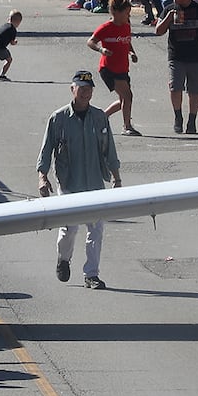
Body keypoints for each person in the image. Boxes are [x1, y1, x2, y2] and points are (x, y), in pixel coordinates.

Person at [37, 71, 121, 290]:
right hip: (69, 183)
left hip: (94, 183)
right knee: (70, 228)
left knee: (96, 229)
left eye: (89, 89)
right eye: (81, 88)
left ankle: (91, 274)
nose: (85, 93)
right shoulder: (59, 118)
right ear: (72, 89)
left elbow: (109, 149)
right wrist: (42, 177)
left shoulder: (99, 117)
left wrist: (116, 177)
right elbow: (46, 150)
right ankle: (63, 259)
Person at [154, 0, 198, 134]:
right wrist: (169, 17)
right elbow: (158, 31)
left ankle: (192, 121)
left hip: (196, 56)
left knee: (195, 90)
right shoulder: (169, 9)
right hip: (176, 56)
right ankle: (178, 117)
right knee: (175, 87)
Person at [88, 0, 140, 135]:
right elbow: (91, 41)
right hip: (109, 68)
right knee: (128, 96)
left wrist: (132, 53)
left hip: (123, 68)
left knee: (124, 99)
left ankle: (102, 117)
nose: (128, 17)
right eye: (126, 13)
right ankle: (127, 126)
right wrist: (101, 49)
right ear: (115, 12)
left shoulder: (126, 26)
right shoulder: (106, 27)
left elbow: (127, 41)